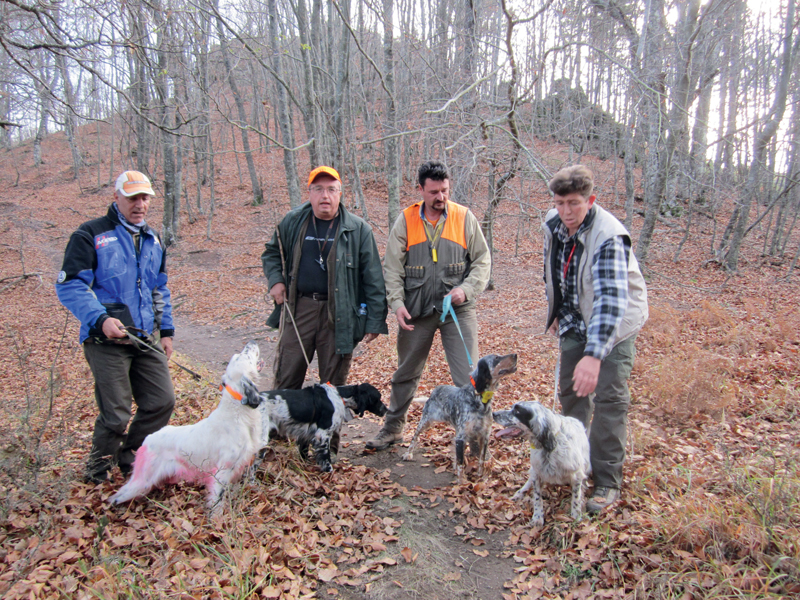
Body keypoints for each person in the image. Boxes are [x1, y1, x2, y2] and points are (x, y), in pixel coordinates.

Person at [56, 170, 176, 484]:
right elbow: (70, 287)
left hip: (145, 337)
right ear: (116, 198)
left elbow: (159, 288)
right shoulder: (90, 234)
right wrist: (100, 319)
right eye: (132, 197)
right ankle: (96, 474)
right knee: (117, 412)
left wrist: (166, 331)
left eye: (144, 197)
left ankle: (130, 458)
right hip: (105, 341)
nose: (140, 204)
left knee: (162, 401)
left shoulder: (153, 238)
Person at [542, 164, 648, 514]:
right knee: (571, 392)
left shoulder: (609, 237)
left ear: (591, 200)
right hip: (575, 318)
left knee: (608, 400)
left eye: (574, 203)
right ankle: (572, 465)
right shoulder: (553, 224)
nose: (566, 211)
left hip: (614, 326)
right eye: (560, 203)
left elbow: (610, 302)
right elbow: (555, 270)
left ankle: (605, 482)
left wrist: (594, 355)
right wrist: (556, 309)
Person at [367, 160, 491, 450]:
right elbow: (393, 268)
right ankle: (393, 428)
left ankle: (476, 438)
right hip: (416, 311)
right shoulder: (406, 220)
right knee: (405, 373)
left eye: (445, 190)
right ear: (421, 189)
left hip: (457, 311)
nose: (440, 197)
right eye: (434, 191)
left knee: (469, 379)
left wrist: (466, 289)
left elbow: (483, 262)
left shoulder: (464, 217)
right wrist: (396, 303)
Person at [261, 166, 388, 390]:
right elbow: (272, 253)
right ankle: (282, 425)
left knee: (332, 390)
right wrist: (276, 281)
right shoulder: (292, 222)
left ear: (340, 193)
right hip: (299, 308)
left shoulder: (358, 230)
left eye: (331, 189)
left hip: (340, 314)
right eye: (318, 189)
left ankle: (327, 426)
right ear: (309, 193)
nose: (325, 196)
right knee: (285, 382)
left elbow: (373, 279)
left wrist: (375, 320)